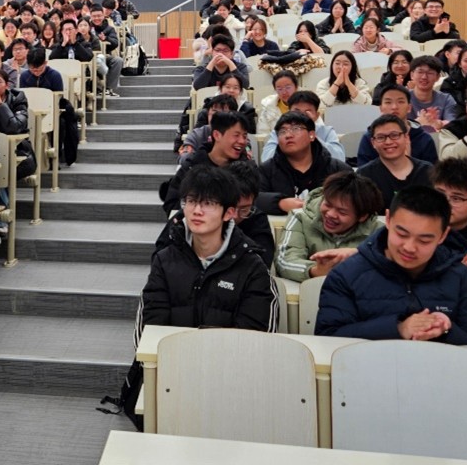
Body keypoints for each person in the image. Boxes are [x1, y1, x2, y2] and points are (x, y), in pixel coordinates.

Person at [315, 187, 467, 344]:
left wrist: (446, 330)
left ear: (443, 235)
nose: (409, 248)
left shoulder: (464, 280)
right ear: (388, 220)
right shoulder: (347, 275)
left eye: (424, 240)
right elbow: (328, 339)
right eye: (402, 234)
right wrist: (398, 329)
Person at [140, 165, 280, 330]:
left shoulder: (253, 268)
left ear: (229, 213)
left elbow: (254, 337)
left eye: (208, 203)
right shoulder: (164, 261)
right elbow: (150, 329)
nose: (197, 211)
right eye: (191, 201)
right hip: (172, 347)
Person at [275, 172, 384, 282]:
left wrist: (358, 254)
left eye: (342, 212)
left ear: (362, 216)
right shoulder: (300, 217)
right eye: (327, 204)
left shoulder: (379, 231)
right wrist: (315, 271)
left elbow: (388, 268)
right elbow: (285, 261)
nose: (330, 214)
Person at [257, 110, 351, 215]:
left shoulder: (338, 170)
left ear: (312, 135)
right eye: (282, 131)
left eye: (296, 129)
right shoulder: (266, 170)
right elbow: (253, 198)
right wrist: (280, 203)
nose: (288, 135)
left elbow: (354, 200)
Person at [161, 111, 250, 215]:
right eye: (236, 135)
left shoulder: (246, 170)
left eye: (244, 136)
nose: (242, 141)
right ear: (217, 135)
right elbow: (172, 202)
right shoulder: (192, 166)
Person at [357, 115, 435, 210]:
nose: (388, 142)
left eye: (394, 135)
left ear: (406, 138)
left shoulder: (427, 171)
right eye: (381, 137)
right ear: (373, 142)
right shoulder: (364, 175)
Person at [355, 84, 437, 166]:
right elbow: (363, 171)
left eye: (400, 102)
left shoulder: (424, 139)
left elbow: (432, 172)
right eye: (388, 102)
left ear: (409, 108)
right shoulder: (370, 137)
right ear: (381, 108)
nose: (394, 107)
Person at [259, 90, 344, 164]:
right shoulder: (279, 132)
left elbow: (339, 158)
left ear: (317, 115)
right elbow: (266, 159)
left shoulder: (326, 131)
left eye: (307, 112)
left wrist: (311, 134)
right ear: (288, 113)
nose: (301, 116)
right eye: (297, 111)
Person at [406, 56, 457, 129]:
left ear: (438, 77)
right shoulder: (403, 97)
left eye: (430, 73)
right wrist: (416, 123)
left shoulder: (446, 99)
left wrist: (439, 123)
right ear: (412, 75)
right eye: (420, 72)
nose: (424, 77)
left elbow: (452, 122)